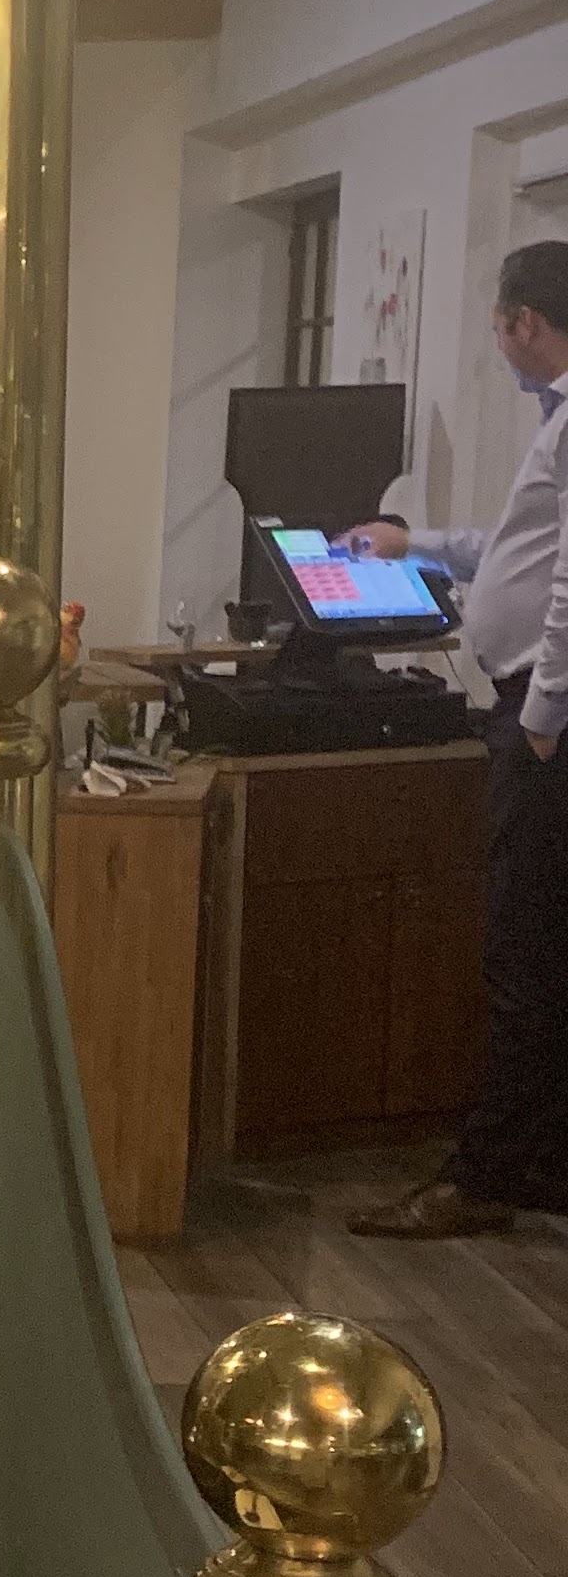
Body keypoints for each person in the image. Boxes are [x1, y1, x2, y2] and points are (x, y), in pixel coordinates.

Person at [341, 236, 568, 1237]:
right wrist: (414, 543)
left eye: (499, 327)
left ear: (525, 322)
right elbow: (520, 549)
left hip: (544, 719)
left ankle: (483, 1178)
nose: (499, 345)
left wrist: (543, 717)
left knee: (522, 950)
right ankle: (541, 1161)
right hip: (535, 709)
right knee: (544, 945)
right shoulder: (555, 423)